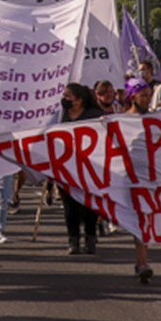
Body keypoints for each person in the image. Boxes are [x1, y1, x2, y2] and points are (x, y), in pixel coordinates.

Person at [57, 84, 103, 256]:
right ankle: (73, 240)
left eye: (68, 96)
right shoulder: (61, 116)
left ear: (79, 99)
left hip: (89, 168)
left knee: (89, 206)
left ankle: (90, 238)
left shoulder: (94, 116)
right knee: (70, 207)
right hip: (66, 168)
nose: (65, 99)